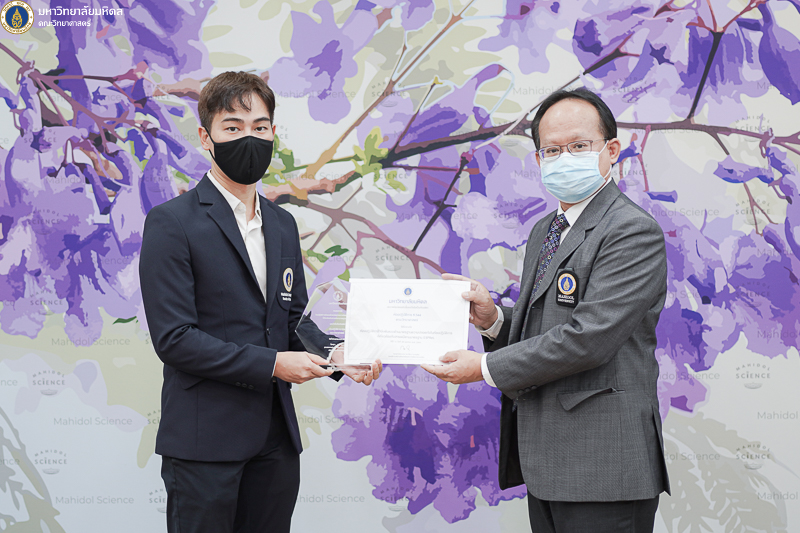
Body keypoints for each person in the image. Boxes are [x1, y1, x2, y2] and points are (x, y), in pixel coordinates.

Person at [139, 71, 381, 533]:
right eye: (232, 127)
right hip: (205, 445)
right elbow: (175, 339)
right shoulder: (172, 223)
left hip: (275, 443)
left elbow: (292, 323)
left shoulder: (282, 224)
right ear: (206, 138)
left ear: (272, 133)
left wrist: (338, 356)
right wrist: (273, 364)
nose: (248, 138)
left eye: (259, 126)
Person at [423, 88, 670, 532]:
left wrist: (483, 367)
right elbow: (548, 323)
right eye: (552, 150)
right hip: (549, 463)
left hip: (604, 469)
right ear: (538, 160)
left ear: (612, 150)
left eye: (579, 146)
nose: (564, 158)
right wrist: (494, 319)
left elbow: (588, 339)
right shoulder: (547, 229)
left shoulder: (631, 230)